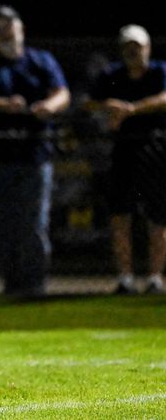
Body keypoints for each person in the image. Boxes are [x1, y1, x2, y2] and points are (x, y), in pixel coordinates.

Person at [0, 5, 70, 297]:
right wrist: (5, 105)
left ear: (21, 30)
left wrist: (49, 107)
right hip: (0, 155)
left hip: (37, 154)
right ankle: (12, 284)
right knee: (5, 223)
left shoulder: (41, 60)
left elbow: (62, 93)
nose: (5, 32)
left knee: (35, 222)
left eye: (10, 26)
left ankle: (35, 284)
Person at [84, 24, 166, 295]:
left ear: (148, 48)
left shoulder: (159, 71)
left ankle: (155, 276)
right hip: (122, 152)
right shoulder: (112, 75)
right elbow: (89, 103)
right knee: (120, 215)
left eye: (138, 46)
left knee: (158, 216)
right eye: (128, 46)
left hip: (156, 150)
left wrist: (131, 110)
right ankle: (126, 278)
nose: (133, 51)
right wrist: (110, 105)